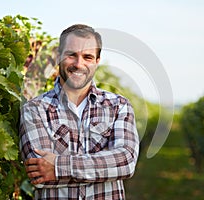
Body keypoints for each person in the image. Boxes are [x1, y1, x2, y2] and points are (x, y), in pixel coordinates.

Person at [19, 24, 139, 200]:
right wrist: (105, 168)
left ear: (97, 61)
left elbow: (125, 162)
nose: (78, 64)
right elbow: (41, 176)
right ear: (58, 56)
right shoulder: (34, 109)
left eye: (87, 57)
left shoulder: (119, 106)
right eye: (71, 55)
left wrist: (58, 167)